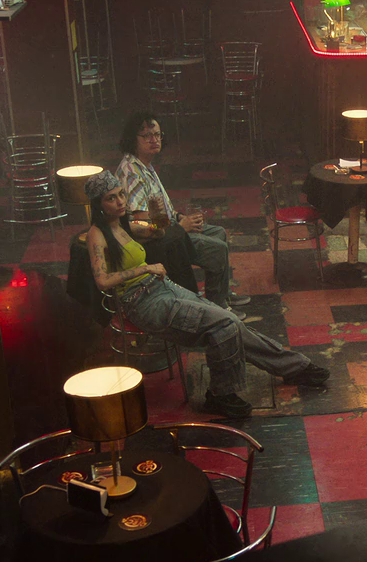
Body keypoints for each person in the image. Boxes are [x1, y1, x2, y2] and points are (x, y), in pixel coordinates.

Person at [85, 170, 327, 418]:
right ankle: (224, 393)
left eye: (121, 194)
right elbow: (102, 281)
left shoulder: (125, 224)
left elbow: (158, 232)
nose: (120, 201)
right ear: (98, 204)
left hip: (161, 287)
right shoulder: (97, 234)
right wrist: (144, 268)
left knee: (228, 322)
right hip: (142, 303)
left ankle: (289, 369)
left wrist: (157, 214)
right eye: (111, 198)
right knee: (225, 323)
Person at [114, 112, 250, 310]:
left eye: (157, 135)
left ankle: (222, 294)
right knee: (218, 249)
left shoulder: (144, 165)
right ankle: (218, 307)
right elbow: (141, 223)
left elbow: (159, 209)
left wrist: (179, 217)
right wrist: (180, 227)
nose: (154, 140)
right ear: (132, 139)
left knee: (218, 232)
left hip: (170, 227)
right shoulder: (131, 172)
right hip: (160, 241)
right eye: (147, 136)